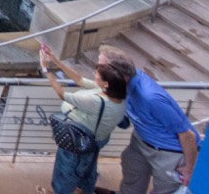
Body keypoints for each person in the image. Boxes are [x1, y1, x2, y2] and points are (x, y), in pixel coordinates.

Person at [105, 46, 199, 194]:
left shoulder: (151, 98)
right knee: (131, 170)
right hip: (141, 143)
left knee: (165, 189)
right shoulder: (120, 87)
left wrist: (189, 169)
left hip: (169, 152)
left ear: (120, 75)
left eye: (101, 69)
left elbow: (188, 135)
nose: (97, 73)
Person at [38, 44, 125, 194]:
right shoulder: (114, 94)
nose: (94, 73)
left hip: (78, 142)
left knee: (66, 172)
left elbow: (62, 94)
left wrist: (46, 69)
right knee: (86, 170)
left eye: (97, 74)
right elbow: (78, 79)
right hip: (96, 140)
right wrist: (55, 60)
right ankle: (83, 190)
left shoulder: (96, 102)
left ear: (106, 83)